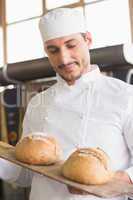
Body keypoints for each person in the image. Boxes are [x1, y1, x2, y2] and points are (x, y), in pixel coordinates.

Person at [0, 7, 133, 200]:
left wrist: (121, 179)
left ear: (87, 40)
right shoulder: (38, 102)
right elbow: (26, 175)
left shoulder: (125, 96)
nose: (63, 58)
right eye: (53, 50)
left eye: (71, 45)